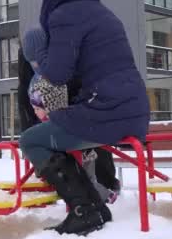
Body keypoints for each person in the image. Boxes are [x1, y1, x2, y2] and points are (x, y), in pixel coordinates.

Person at [18, 0, 150, 236]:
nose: (42, 0)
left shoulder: (64, 14)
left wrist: (38, 54)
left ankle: (83, 209)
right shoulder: (102, 12)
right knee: (57, 131)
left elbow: (56, 74)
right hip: (132, 108)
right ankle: (96, 207)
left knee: (32, 140)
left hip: (106, 109)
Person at [22, 26, 117, 204]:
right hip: (70, 133)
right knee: (83, 172)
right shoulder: (47, 75)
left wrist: (42, 110)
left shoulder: (53, 75)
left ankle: (100, 197)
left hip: (71, 134)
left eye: (36, 60)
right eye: (32, 62)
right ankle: (98, 196)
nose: (35, 65)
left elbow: (52, 104)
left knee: (84, 174)